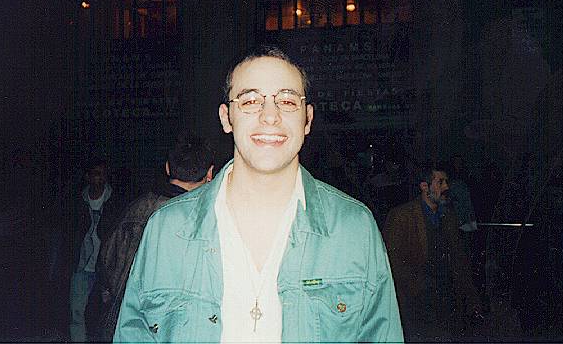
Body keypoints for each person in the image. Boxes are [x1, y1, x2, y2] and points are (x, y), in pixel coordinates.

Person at [114, 46, 403, 343]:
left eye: (287, 101)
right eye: (250, 100)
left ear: (307, 119)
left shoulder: (354, 228)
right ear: (227, 117)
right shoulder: (166, 229)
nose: (270, 116)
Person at [86, 133, 214, 341]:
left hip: (129, 327)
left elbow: (107, 263)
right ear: (210, 173)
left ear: (167, 168)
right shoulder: (212, 220)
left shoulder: (136, 209)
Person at [383, 162, 482, 342]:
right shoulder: (402, 216)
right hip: (416, 303)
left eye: (446, 182)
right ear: (424, 186)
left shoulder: (448, 216)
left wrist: (470, 296)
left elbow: (459, 259)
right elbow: (391, 261)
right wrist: (419, 285)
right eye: (440, 182)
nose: (446, 187)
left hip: (446, 301)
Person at [68, 157, 124, 342]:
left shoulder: (116, 201)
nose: (100, 178)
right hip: (82, 266)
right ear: (88, 176)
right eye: (96, 174)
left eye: (103, 174)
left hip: (106, 268)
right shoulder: (77, 201)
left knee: (106, 316)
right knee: (76, 312)